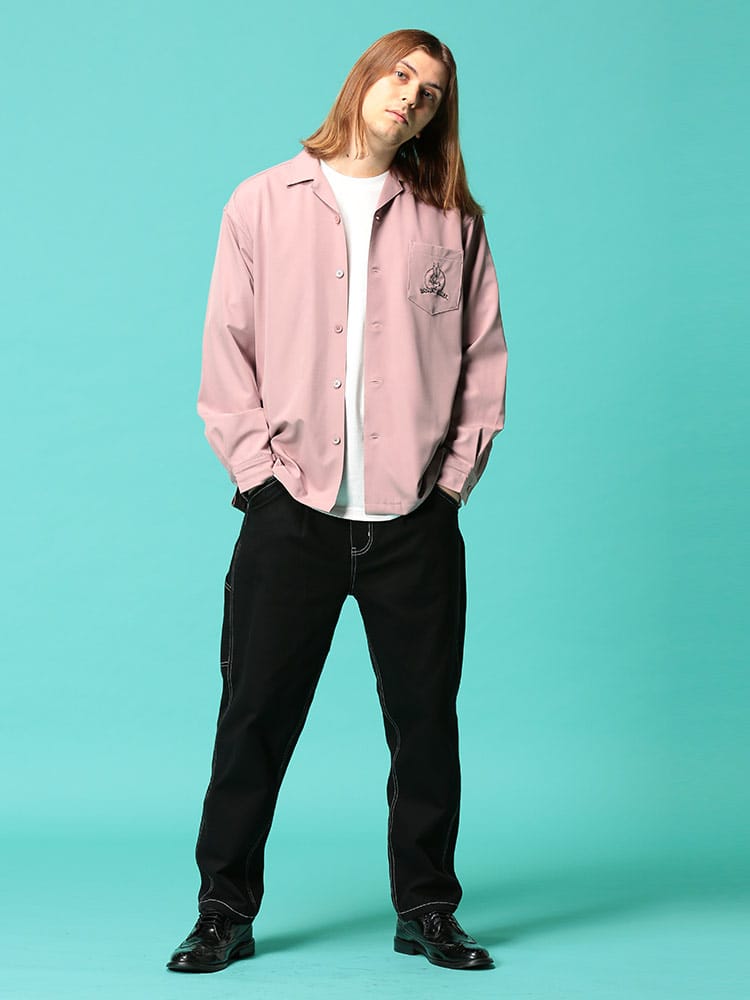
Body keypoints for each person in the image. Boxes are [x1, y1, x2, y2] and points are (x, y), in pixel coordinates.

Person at [167, 27, 508, 975]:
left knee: (426, 726)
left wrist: (450, 487)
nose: (410, 98)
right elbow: (226, 352)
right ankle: (222, 910)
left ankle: (428, 908)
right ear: (365, 79)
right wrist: (258, 483)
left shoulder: (453, 221)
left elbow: (483, 363)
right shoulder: (261, 201)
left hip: (414, 522)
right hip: (292, 516)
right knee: (253, 722)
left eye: (430, 93)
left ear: (436, 117)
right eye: (401, 76)